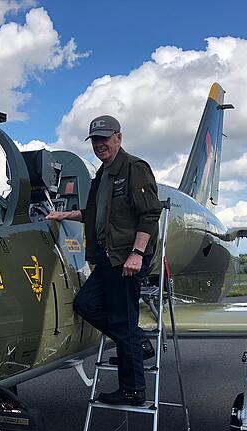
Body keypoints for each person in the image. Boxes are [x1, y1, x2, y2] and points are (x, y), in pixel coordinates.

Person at [46, 115, 162, 405]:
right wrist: (65, 215)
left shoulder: (134, 169)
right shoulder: (103, 174)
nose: (100, 145)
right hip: (107, 259)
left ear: (119, 138)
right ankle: (136, 341)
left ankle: (133, 390)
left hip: (126, 259)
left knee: (123, 322)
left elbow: (149, 214)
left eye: (105, 139)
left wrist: (136, 254)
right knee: (87, 305)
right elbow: (94, 213)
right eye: (96, 140)